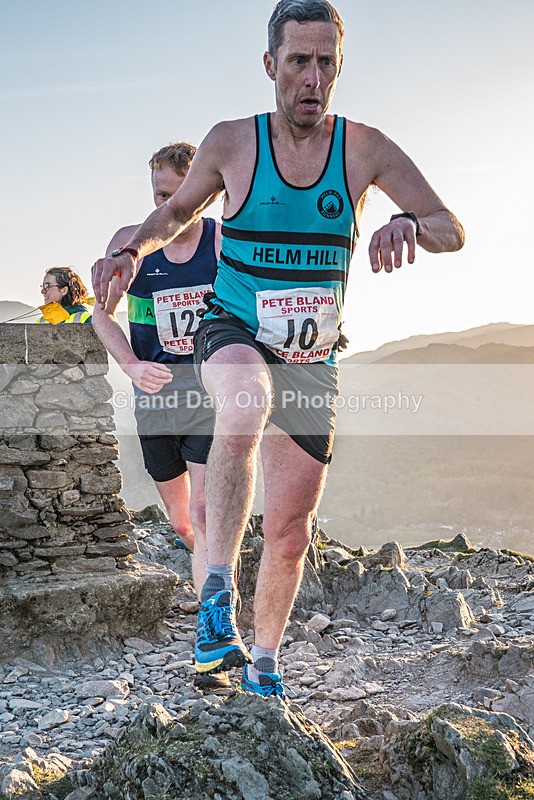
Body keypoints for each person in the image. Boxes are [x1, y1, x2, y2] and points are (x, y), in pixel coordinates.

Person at [93, 0, 465, 699]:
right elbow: (174, 213)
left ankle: (263, 664)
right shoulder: (234, 143)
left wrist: (410, 223)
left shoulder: (365, 149)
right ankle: (214, 598)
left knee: (291, 531)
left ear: (339, 67)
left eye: (327, 63)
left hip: (312, 357)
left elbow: (452, 226)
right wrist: (127, 250)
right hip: (233, 329)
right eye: (299, 61)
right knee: (243, 404)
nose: (313, 78)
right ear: (272, 65)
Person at [92, 142, 221, 608]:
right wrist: (132, 365)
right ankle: (217, 574)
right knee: (183, 521)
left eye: (178, 195)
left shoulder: (222, 242)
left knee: (207, 514)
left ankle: (216, 611)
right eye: (158, 195)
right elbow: (100, 316)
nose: (167, 207)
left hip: (211, 398)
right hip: (156, 401)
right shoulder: (130, 243)